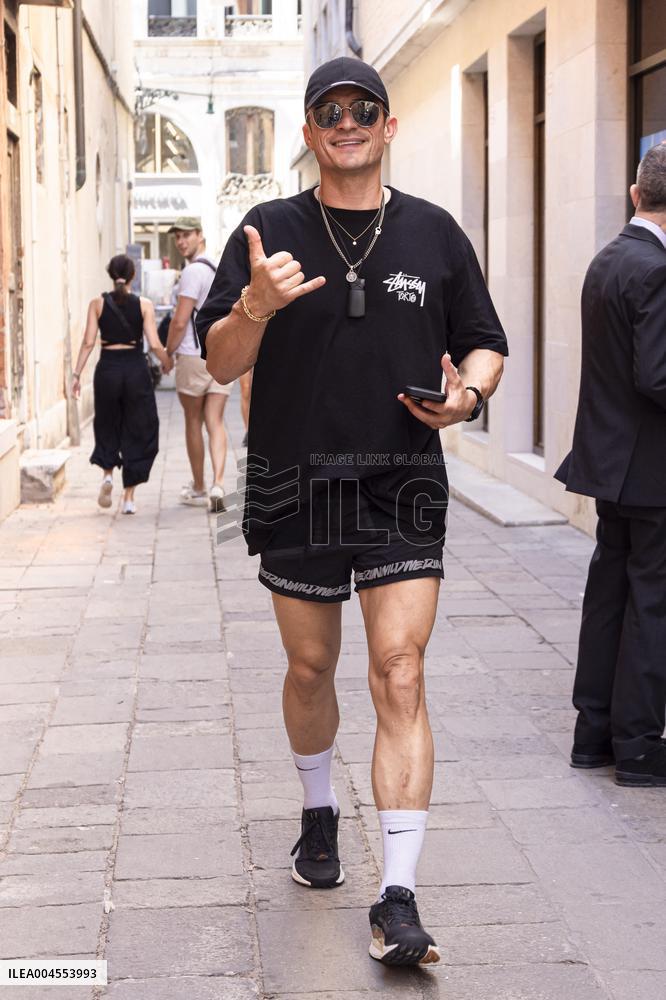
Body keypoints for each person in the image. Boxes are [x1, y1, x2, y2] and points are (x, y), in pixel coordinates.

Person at [198, 57, 507, 966]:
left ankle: (399, 897)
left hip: (401, 481)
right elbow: (218, 361)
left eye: (361, 109)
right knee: (308, 669)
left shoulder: (436, 235)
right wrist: (253, 305)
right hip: (297, 481)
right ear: (307, 130)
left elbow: (483, 342)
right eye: (327, 111)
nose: (345, 121)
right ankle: (318, 812)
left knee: (399, 672)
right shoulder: (267, 228)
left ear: (387, 124)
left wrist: (469, 400)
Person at [555, 142, 666, 788]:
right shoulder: (654, 269)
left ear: (635, 195)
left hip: (610, 465)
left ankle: (593, 734)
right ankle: (641, 746)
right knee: (652, 604)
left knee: (609, 596)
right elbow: (656, 374)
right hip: (650, 472)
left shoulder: (608, 260)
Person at [72, 254, 171, 514]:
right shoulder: (144, 305)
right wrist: (166, 361)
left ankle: (107, 475)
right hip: (135, 369)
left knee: (107, 422)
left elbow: (87, 342)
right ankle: (128, 498)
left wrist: (75, 375)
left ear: (109, 274)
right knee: (138, 426)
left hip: (107, 369)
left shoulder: (97, 304)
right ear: (133, 276)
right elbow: (155, 342)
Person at [165, 217, 234, 511]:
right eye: (178, 237)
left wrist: (167, 351)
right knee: (216, 421)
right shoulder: (217, 268)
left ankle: (198, 487)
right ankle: (219, 484)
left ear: (200, 236)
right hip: (220, 352)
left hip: (193, 354)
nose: (181, 242)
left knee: (194, 421)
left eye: (186, 236)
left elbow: (181, 320)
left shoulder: (192, 271)